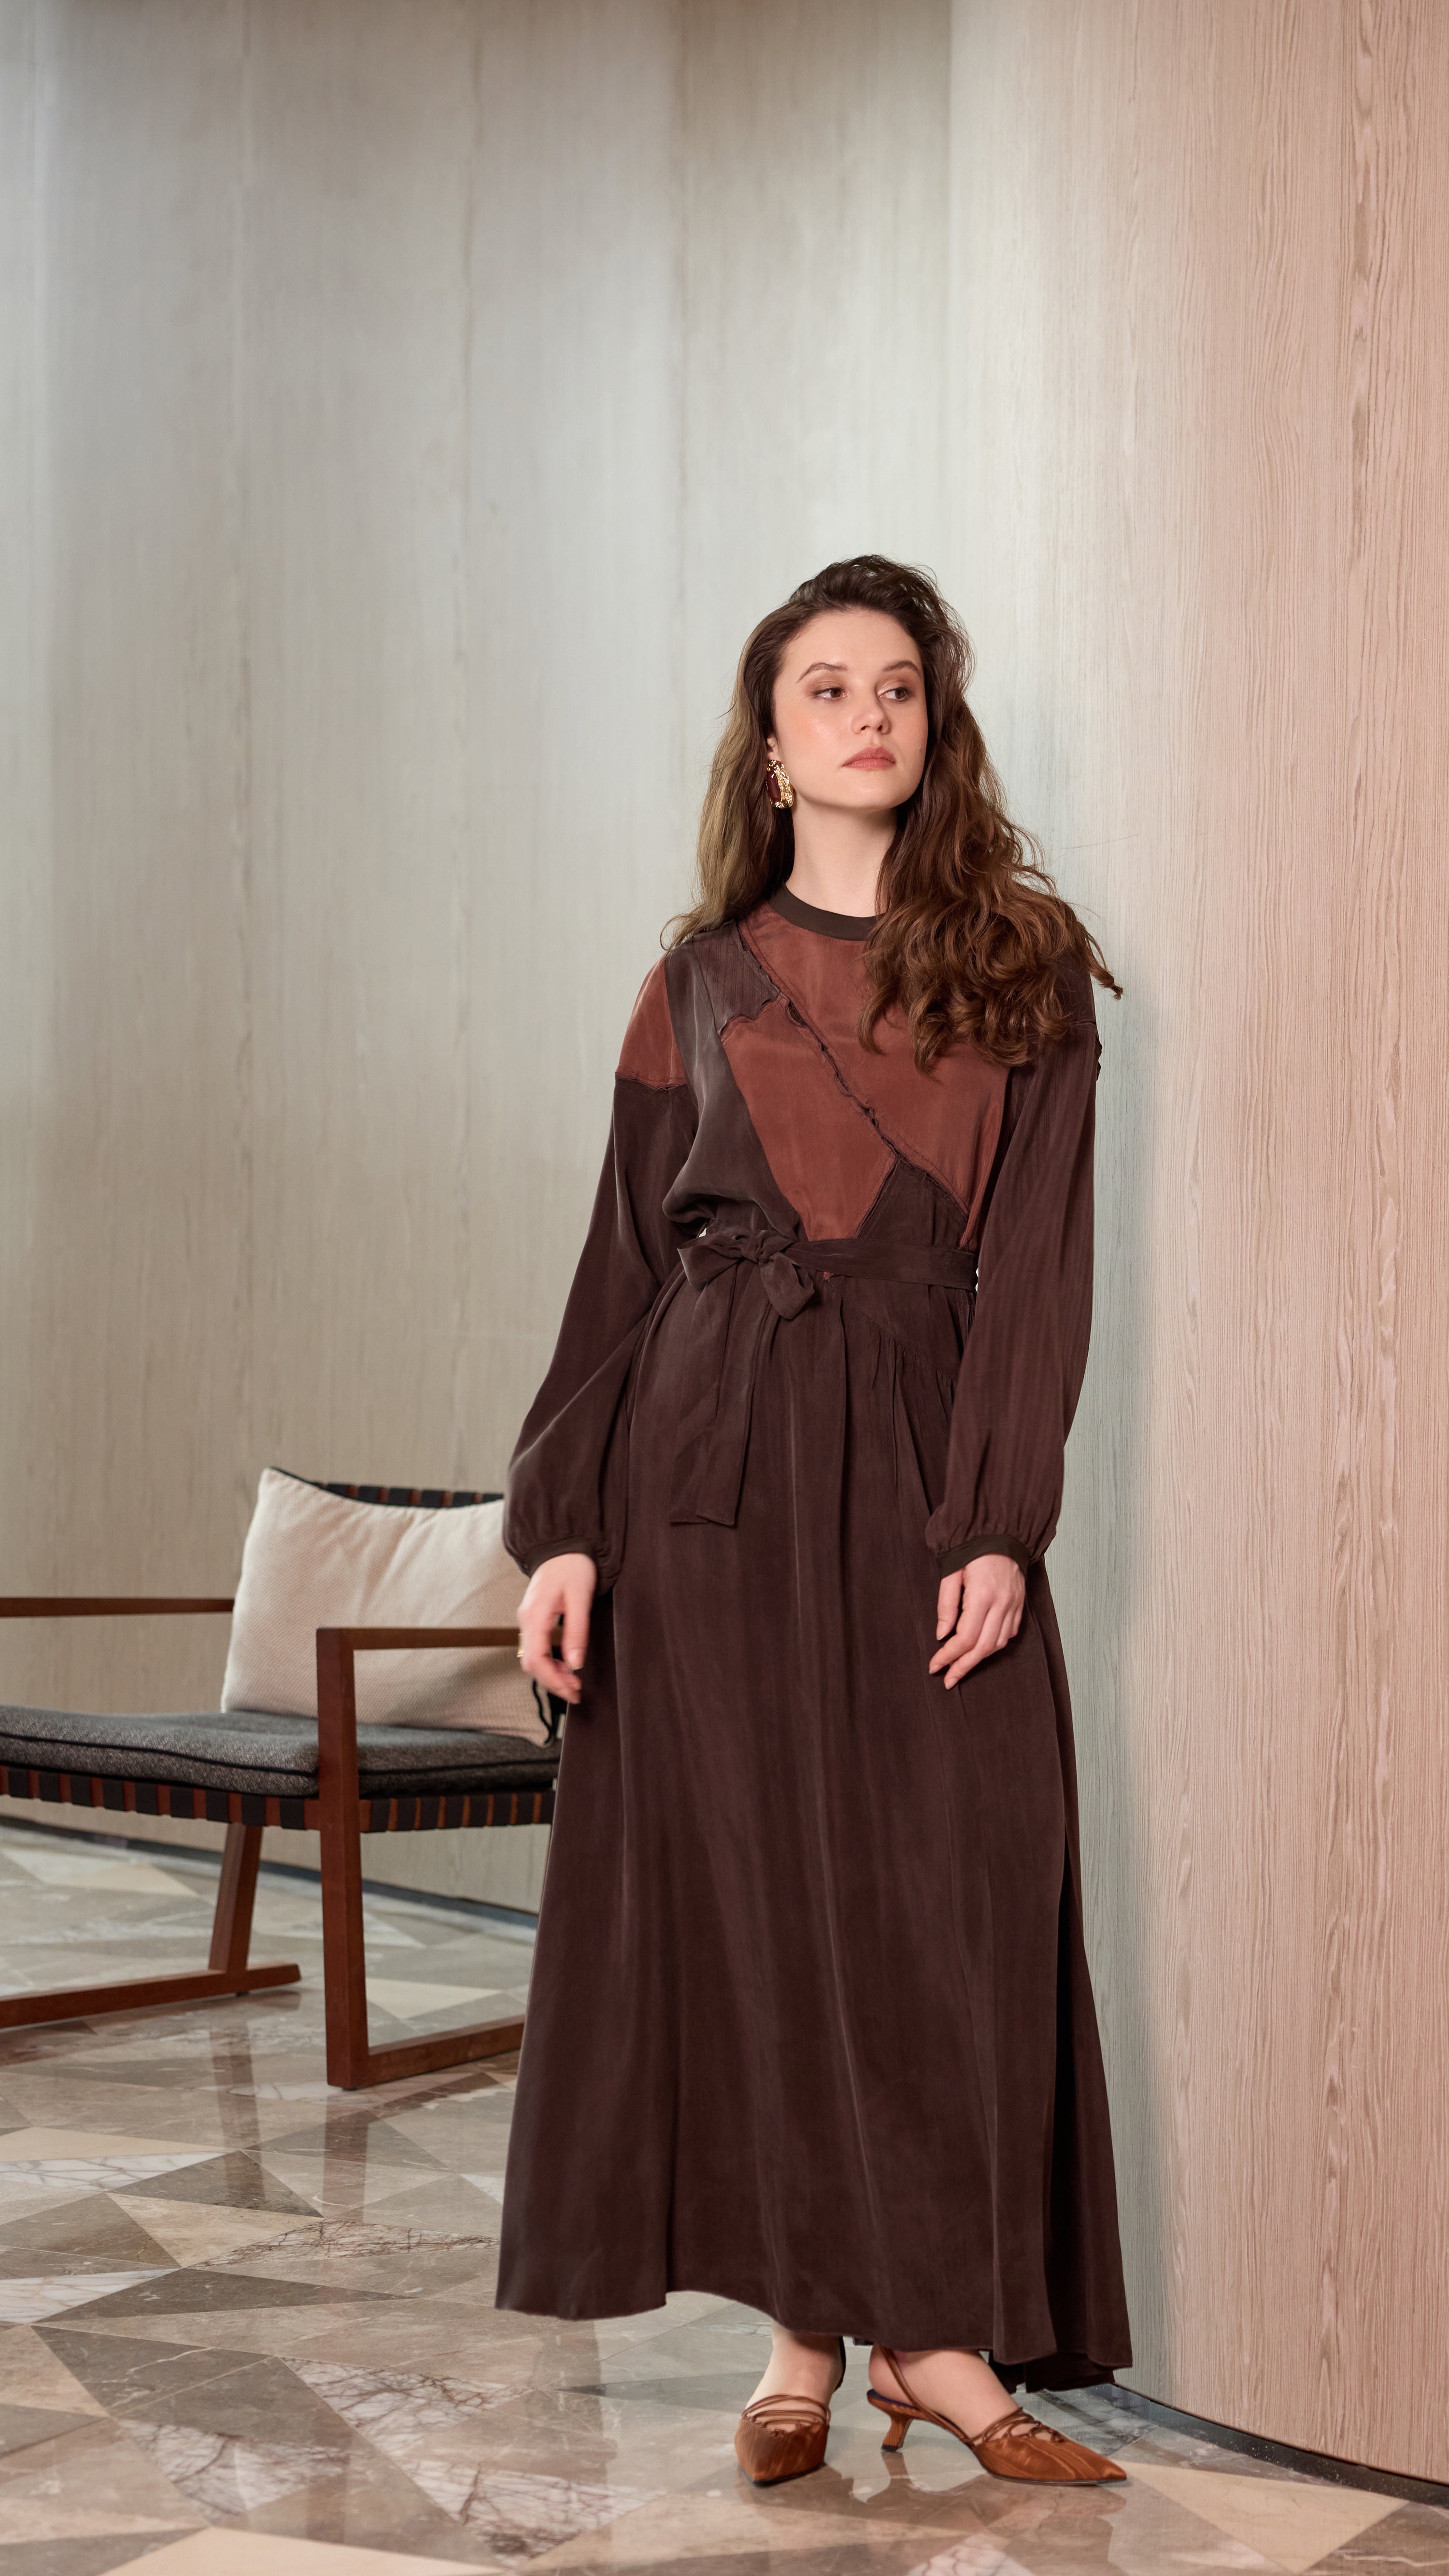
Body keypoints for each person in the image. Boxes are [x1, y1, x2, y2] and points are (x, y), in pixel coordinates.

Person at [501, 554, 1132, 2488]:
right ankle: (801, 2334)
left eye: (899, 688)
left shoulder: (1024, 964)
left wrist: (998, 1518)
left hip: (926, 1459)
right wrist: (568, 1529)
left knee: (948, 1891)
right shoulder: (694, 982)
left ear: (937, 730)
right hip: (708, 1477)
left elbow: (1038, 1269)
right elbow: (621, 1276)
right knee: (760, 1901)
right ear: (770, 747)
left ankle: (934, 2334)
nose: (869, 714)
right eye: (827, 689)